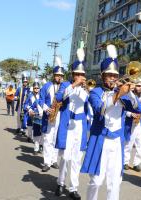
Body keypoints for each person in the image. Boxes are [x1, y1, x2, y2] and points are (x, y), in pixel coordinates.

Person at [81, 45, 141, 200]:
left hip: (117, 141)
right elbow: (99, 109)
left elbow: (139, 108)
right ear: (103, 77)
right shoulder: (96, 92)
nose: (113, 78)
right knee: (96, 180)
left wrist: (131, 93)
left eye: (115, 75)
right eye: (109, 75)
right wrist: (118, 95)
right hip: (100, 140)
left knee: (115, 182)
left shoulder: (122, 93)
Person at [53, 52, 90, 200]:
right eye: (78, 74)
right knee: (66, 158)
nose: (81, 76)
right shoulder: (66, 85)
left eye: (82, 74)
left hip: (80, 126)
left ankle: (73, 188)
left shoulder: (87, 88)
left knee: (76, 159)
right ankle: (60, 183)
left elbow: (91, 107)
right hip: (68, 125)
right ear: (73, 74)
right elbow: (59, 97)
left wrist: (88, 89)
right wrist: (74, 85)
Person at [39, 59, 65, 172]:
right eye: (57, 75)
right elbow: (40, 100)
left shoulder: (64, 87)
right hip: (49, 114)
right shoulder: (47, 86)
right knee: (48, 139)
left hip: (60, 115)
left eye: (61, 75)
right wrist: (46, 109)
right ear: (54, 75)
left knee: (56, 139)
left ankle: (54, 160)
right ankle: (46, 162)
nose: (59, 77)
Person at [124, 81, 141, 172]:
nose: (139, 88)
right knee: (128, 143)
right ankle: (125, 162)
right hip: (131, 122)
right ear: (134, 87)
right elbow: (123, 110)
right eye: (138, 86)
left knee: (140, 145)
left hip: (140, 123)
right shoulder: (128, 96)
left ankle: (137, 163)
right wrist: (130, 114)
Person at [24, 81, 43, 155]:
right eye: (35, 88)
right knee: (35, 131)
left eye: (37, 88)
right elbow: (25, 105)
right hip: (33, 115)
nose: (36, 89)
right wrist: (30, 110)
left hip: (42, 117)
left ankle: (41, 145)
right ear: (33, 88)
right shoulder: (30, 95)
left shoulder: (42, 95)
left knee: (43, 133)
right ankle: (36, 148)